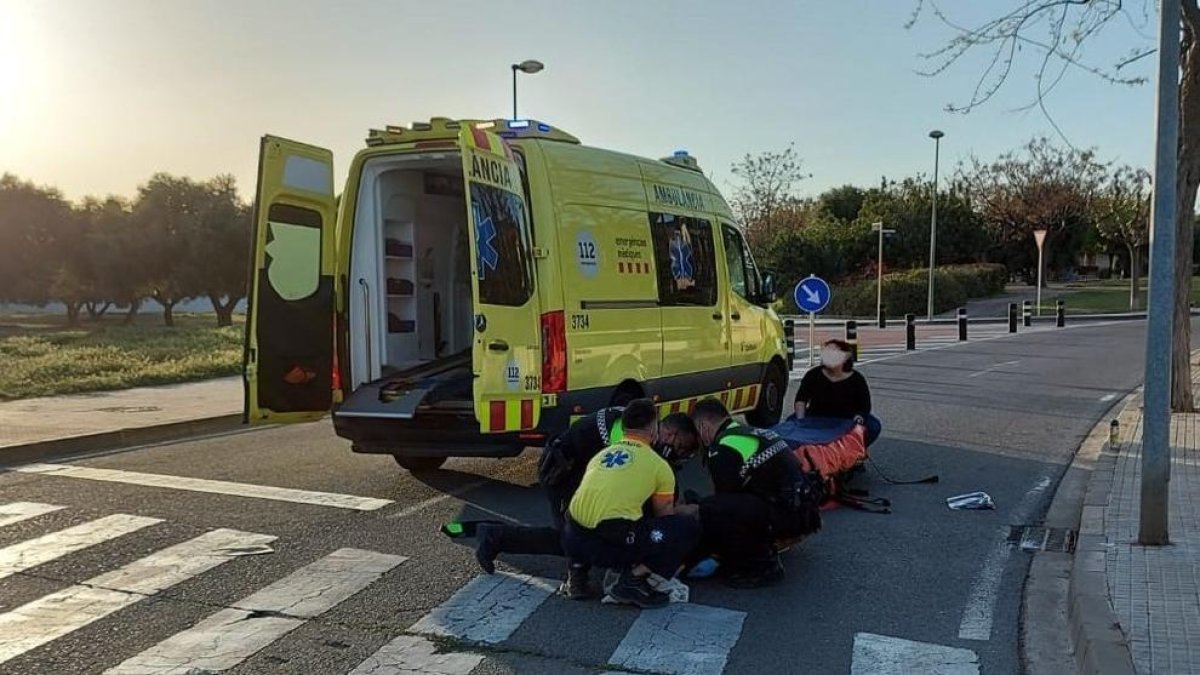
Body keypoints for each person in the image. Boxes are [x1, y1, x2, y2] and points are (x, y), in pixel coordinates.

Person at [474, 406, 700, 600]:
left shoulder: (634, 424)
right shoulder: (627, 436)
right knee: (575, 534)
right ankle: (499, 538)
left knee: (584, 534)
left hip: (579, 467)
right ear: (668, 432)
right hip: (563, 471)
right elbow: (625, 480)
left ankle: (504, 539)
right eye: (680, 445)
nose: (675, 452)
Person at [561, 398, 702, 608]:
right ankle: (632, 580)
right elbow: (665, 517)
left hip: (572, 540)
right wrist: (688, 511)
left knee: (590, 516)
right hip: (612, 545)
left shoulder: (602, 454)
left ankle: (577, 576)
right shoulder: (658, 465)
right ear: (653, 429)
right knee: (684, 528)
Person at [692, 398, 822, 589]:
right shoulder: (751, 432)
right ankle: (766, 546)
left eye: (697, 430)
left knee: (712, 508)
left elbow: (724, 500)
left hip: (787, 516)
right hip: (805, 512)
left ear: (703, 426)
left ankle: (762, 565)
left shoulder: (724, 447)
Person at [794, 338, 881, 445]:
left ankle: (856, 451)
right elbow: (801, 400)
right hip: (816, 416)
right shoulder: (813, 374)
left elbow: (864, 406)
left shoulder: (857, 379)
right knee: (790, 424)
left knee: (873, 426)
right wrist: (801, 420)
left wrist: (858, 419)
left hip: (846, 419)